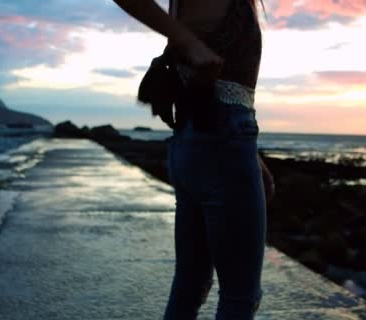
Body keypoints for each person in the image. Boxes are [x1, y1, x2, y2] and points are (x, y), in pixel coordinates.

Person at [112, 0, 275, 319]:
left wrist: (249, 152)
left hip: (195, 138)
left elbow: (224, 89)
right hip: (219, 141)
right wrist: (187, 42)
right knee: (240, 296)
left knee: (190, 285)